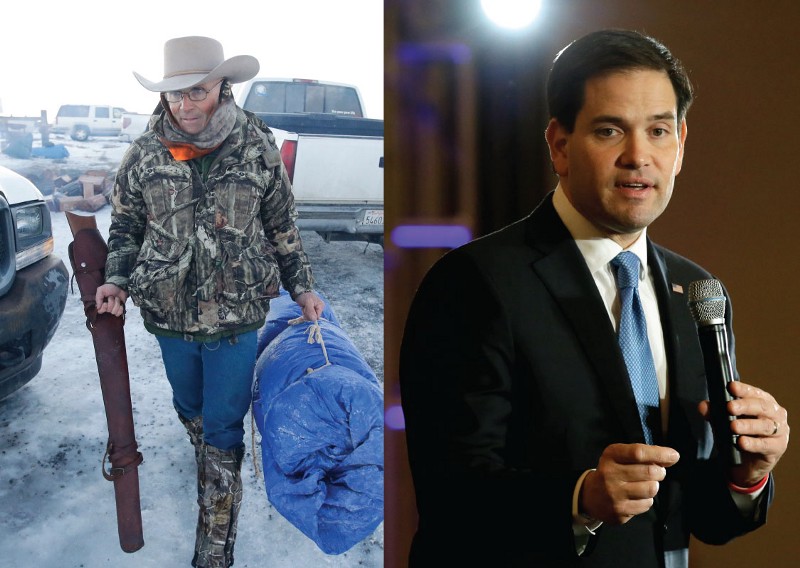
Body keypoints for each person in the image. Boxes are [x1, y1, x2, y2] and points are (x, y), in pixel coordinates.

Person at [399, 29, 789, 567]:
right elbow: (449, 496)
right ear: (560, 145)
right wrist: (579, 500)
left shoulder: (697, 291)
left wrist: (748, 475)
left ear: (680, 145)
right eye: (610, 131)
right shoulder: (473, 282)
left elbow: (698, 518)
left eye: (658, 131)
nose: (638, 156)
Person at [95, 36, 325, 568]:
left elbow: (281, 224)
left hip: (235, 316)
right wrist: (116, 280)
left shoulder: (257, 144)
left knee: (223, 426)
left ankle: (214, 549)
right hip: (170, 315)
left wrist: (302, 286)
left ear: (223, 86)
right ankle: (209, 457)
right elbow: (126, 227)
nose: (185, 105)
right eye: (175, 94)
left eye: (197, 91)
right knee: (190, 408)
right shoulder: (145, 152)